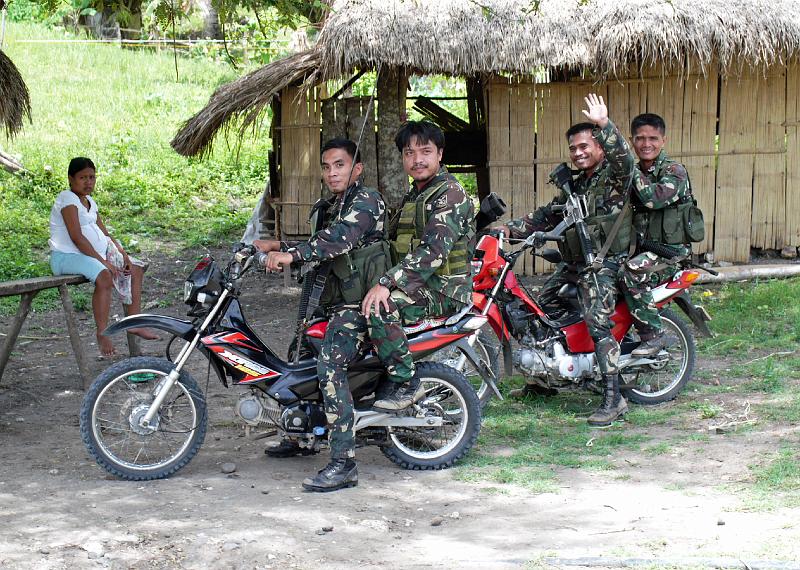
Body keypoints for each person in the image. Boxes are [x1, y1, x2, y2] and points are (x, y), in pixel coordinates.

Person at [255, 137, 388, 492]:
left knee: (330, 366)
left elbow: (340, 239)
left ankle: (344, 463)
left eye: (340, 165)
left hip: (359, 304)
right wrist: (276, 246)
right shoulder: (329, 206)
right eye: (327, 167)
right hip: (332, 302)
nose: (333, 173)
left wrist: (291, 256)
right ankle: (302, 435)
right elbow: (319, 238)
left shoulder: (367, 201)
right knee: (297, 356)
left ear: (356, 168)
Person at [499, 94, 636, 427]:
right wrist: (508, 229)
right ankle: (541, 382)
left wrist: (605, 125)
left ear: (600, 147)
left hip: (606, 263)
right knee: (539, 309)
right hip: (575, 263)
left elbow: (626, 160)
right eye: (573, 148)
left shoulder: (614, 177)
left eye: (585, 146)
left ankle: (613, 397)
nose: (579, 152)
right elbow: (547, 215)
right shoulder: (574, 186)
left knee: (597, 321)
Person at [361, 120, 475, 411]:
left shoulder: (450, 194)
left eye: (425, 151)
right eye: (409, 153)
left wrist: (385, 284)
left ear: (440, 154)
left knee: (381, 307)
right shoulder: (417, 194)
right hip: (422, 284)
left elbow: (432, 253)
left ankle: (405, 383)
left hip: (443, 290)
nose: (417, 159)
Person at [49, 157, 158, 358]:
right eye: (82, 177)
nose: (88, 182)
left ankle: (134, 322)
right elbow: (77, 237)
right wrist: (103, 262)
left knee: (135, 268)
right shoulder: (67, 199)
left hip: (89, 256)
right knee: (104, 275)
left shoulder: (90, 202)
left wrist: (122, 252)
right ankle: (102, 333)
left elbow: (105, 233)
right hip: (66, 257)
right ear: (71, 179)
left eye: (92, 177)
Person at [621, 113, 694, 356]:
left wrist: (629, 168)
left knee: (630, 273)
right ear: (632, 141)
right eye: (640, 138)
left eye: (653, 138)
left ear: (663, 140)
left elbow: (653, 199)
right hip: (643, 248)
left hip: (670, 254)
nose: (646, 144)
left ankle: (654, 335)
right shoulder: (632, 172)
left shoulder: (675, 172)